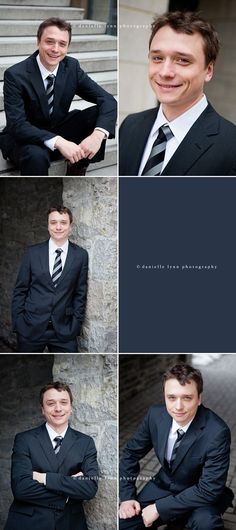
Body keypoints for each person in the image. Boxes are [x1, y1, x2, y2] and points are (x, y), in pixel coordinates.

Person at [119, 11, 236, 176]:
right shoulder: (130, 125)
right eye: (157, 58)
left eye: (183, 60)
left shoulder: (231, 145)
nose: (165, 72)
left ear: (208, 71)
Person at [119, 363, 234, 529]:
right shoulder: (155, 415)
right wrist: (127, 497)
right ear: (165, 396)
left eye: (187, 398)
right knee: (123, 523)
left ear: (199, 398)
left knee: (206, 525)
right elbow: (130, 453)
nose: (178, 406)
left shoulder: (217, 432)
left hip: (199, 496)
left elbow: (208, 490)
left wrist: (159, 508)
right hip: (163, 486)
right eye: (171, 397)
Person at [0, 17, 117, 176]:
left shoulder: (71, 67)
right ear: (38, 42)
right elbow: (18, 125)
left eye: (62, 44)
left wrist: (97, 136)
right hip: (25, 138)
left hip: (57, 126)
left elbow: (107, 100)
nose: (56, 49)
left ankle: (77, 167)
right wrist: (59, 141)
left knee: (97, 115)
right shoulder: (15, 75)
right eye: (49, 41)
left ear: (67, 47)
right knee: (36, 156)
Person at [4, 381, 98, 530]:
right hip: (30, 522)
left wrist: (44, 478)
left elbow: (90, 488)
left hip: (70, 524)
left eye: (63, 402)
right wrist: (68, 491)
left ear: (71, 407)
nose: (58, 408)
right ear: (42, 409)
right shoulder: (25, 440)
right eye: (50, 403)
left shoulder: (85, 442)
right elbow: (21, 489)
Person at [12, 205, 88, 353]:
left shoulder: (80, 255)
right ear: (48, 225)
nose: (58, 227)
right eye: (53, 222)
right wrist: (19, 323)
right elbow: (20, 290)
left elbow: (80, 293)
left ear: (70, 226)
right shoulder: (32, 253)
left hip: (64, 330)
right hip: (30, 328)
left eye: (63, 222)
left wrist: (76, 325)